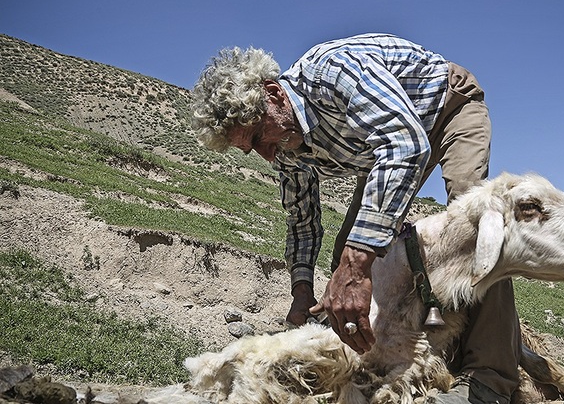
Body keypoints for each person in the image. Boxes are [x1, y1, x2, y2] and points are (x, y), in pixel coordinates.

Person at [190, 33, 520, 404]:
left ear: (274, 94)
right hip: (384, 148)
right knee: (345, 258)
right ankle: (374, 357)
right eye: (251, 149)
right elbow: (302, 221)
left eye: (258, 136)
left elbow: (405, 144)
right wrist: (302, 292)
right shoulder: (284, 147)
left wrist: (356, 267)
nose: (266, 156)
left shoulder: (332, 72)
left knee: (474, 228)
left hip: (446, 107)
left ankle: (491, 381)